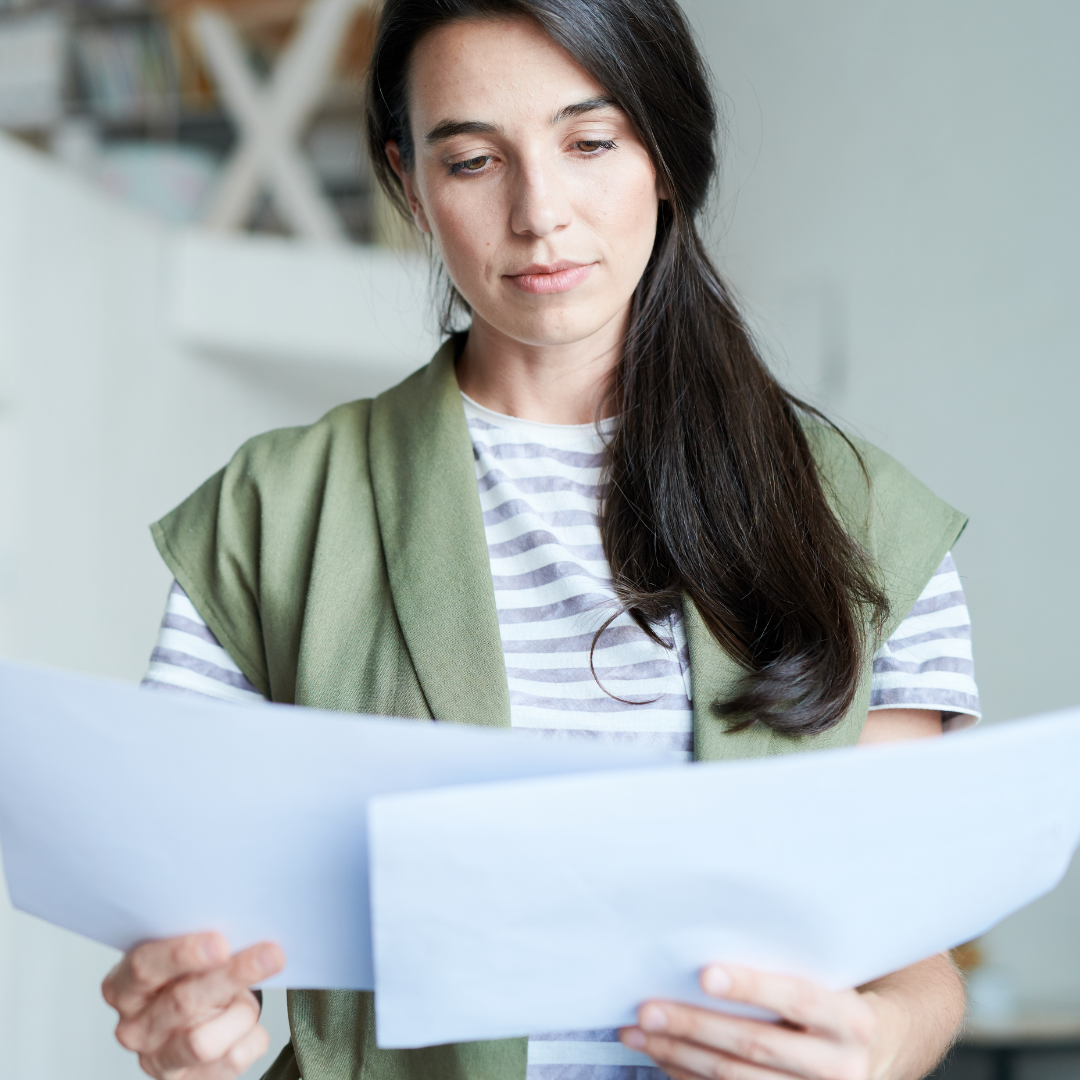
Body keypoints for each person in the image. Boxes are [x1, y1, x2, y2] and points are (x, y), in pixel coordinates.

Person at [102, 1, 981, 1078]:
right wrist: (189, 1022)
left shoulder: (866, 520)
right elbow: (184, 921)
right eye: (473, 161)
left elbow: (910, 958)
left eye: (591, 142)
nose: (539, 212)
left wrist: (883, 1045)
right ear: (409, 183)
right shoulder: (274, 514)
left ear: (662, 152)